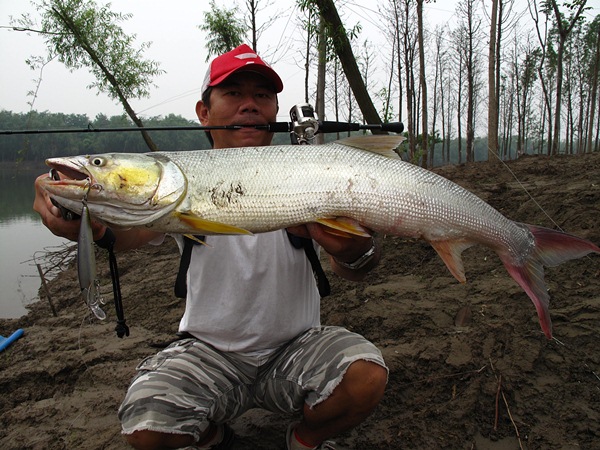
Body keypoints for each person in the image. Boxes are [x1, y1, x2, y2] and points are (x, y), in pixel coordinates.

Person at [33, 44, 388, 450]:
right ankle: (218, 440)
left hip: (297, 348)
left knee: (365, 377)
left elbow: (360, 267)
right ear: (204, 112)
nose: (250, 105)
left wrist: (350, 250)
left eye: (262, 96)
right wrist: (73, 206)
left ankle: (304, 439)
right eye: (233, 94)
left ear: (275, 110)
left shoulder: (313, 174)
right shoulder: (175, 182)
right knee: (147, 423)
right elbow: (129, 233)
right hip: (211, 354)